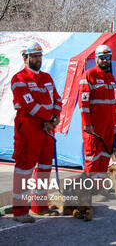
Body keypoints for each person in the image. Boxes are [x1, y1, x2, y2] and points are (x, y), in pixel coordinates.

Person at [11, 41, 62, 223]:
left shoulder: (47, 78)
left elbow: (57, 99)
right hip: (29, 129)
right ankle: (20, 211)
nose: (38, 59)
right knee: (24, 169)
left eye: (40, 56)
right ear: (26, 58)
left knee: (44, 168)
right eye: (34, 56)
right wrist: (49, 118)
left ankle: (39, 206)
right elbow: (29, 105)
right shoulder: (19, 79)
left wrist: (55, 118)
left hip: (47, 130)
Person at [79, 45, 116, 195]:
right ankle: (89, 190)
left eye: (108, 57)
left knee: (104, 158)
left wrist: (115, 124)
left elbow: (115, 103)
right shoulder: (89, 75)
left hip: (108, 126)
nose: (105, 60)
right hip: (93, 127)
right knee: (92, 158)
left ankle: (100, 188)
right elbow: (83, 103)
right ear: (96, 58)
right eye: (102, 57)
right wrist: (87, 124)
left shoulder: (111, 78)